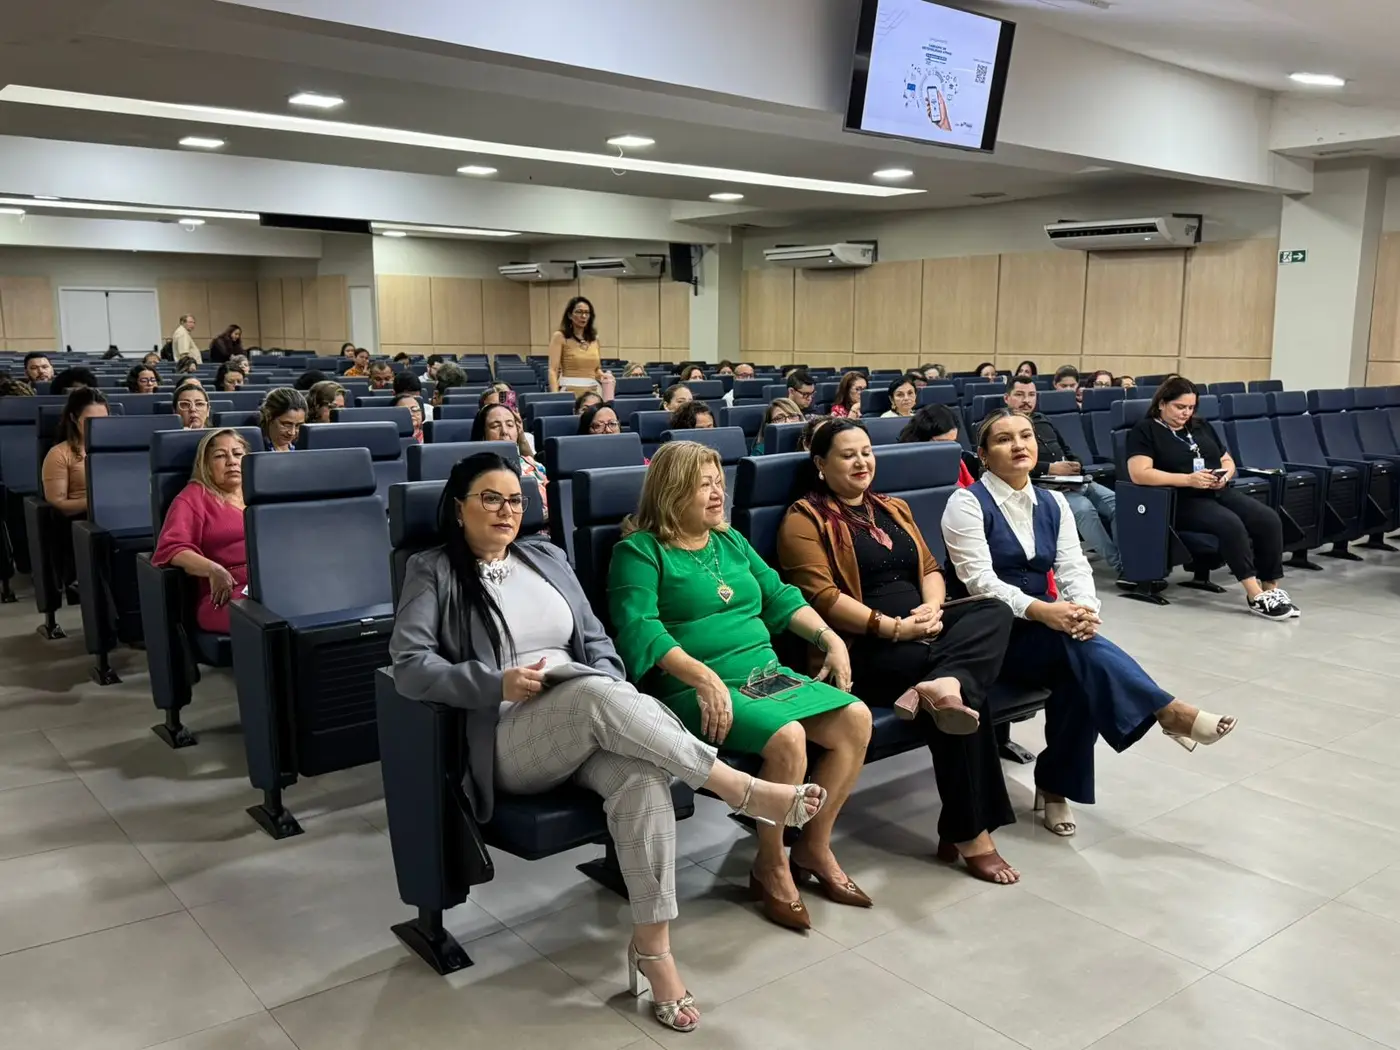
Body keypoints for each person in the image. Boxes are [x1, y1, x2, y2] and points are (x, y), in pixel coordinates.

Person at [390, 453, 825, 1032]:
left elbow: (597, 643)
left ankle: (654, 950)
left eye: (516, 500)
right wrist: (496, 683)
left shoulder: (546, 557)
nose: (506, 510)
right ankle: (740, 789)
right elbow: (409, 665)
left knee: (640, 776)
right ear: (458, 507)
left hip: (586, 716)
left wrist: (607, 686)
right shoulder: (433, 569)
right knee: (594, 694)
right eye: (490, 498)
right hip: (508, 737)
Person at [608, 441, 873, 929]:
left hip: (764, 676)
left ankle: (814, 847)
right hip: (693, 688)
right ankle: (771, 863)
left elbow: (780, 596)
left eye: (719, 484)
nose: (718, 495)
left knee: (855, 718)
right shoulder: (639, 551)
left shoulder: (728, 540)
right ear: (671, 491)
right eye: (704, 485)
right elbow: (639, 629)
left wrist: (829, 637)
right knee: (788, 736)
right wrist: (702, 675)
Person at [942, 409, 1237, 837]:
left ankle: (1059, 784)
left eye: (1026, 435)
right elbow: (979, 581)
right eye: (1004, 439)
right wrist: (1045, 611)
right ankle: (1165, 712)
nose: (1019, 445)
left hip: (1043, 630)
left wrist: (1082, 610)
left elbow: (1073, 566)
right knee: (1079, 655)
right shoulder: (966, 503)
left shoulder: (1053, 502)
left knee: (1080, 668)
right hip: (988, 634)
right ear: (984, 455)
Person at [779, 420, 1020, 884]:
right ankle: (970, 833)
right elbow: (821, 598)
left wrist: (931, 609)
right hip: (861, 648)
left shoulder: (892, 507)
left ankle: (946, 683)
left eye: (866, 452)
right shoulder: (804, 519)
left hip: (924, 629)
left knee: (993, 609)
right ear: (821, 464)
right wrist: (893, 628)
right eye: (847, 455)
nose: (861, 462)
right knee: (962, 698)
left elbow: (929, 568)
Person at [1126, 376, 1295, 619]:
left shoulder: (1200, 426)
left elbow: (1226, 460)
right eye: (1180, 407)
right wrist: (1188, 479)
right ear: (1162, 404)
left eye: (1190, 407)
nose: (1186, 413)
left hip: (1216, 490)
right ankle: (1254, 594)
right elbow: (1139, 473)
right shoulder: (1145, 430)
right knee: (1230, 524)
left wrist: (1225, 475)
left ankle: (1271, 590)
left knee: (1267, 519)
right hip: (1180, 499)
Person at [1005, 376, 1120, 575]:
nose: (1026, 400)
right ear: (1007, 398)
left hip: (1073, 480)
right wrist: (1050, 468)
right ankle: (1121, 565)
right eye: (1020, 395)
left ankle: (1131, 560)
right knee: (1084, 510)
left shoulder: (1042, 419)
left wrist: (1076, 464)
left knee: (1119, 504)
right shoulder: (1003, 427)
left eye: (1031, 395)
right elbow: (1008, 463)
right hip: (1043, 485)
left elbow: (1065, 448)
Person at [150, 428, 250, 633]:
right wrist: (213, 569)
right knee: (264, 617)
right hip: (224, 594)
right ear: (205, 465)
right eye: (220, 456)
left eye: (238, 454)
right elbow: (172, 548)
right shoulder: (193, 498)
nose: (232, 461)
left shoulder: (262, 491)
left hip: (268, 585)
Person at [43, 388, 110, 593]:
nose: (97, 427)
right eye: (89, 421)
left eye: (103, 421)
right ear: (73, 419)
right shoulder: (59, 454)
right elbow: (59, 504)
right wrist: (100, 503)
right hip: (81, 520)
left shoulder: (118, 447)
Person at [471, 403, 548, 516]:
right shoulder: (475, 474)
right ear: (482, 435)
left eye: (510, 425)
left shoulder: (532, 464)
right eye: (495, 426)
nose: (504, 431)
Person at [548, 296, 613, 396]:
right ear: (570, 315)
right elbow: (553, 370)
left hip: (593, 392)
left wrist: (603, 376)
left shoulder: (594, 339)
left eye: (587, 312)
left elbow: (596, 370)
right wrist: (555, 396)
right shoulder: (560, 336)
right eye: (579, 312)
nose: (583, 316)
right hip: (570, 391)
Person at [900, 404, 977, 487]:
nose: (949, 448)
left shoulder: (956, 461)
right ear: (924, 439)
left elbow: (971, 488)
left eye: (953, 442)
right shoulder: (907, 466)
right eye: (943, 442)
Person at [259, 387, 307, 452]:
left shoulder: (305, 446)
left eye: (298, 426)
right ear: (268, 417)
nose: (292, 433)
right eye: (286, 424)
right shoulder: (254, 447)